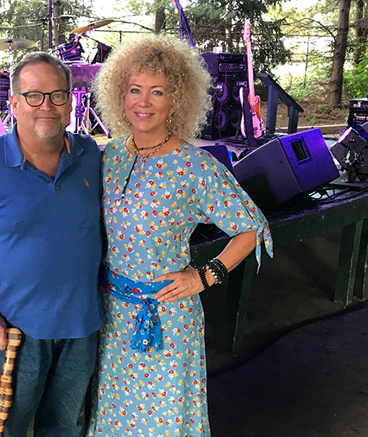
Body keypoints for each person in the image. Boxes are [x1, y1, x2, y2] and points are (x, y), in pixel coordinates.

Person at [86, 34, 274, 437]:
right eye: (135, 89)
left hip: (168, 319)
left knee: (164, 421)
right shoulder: (110, 155)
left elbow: (251, 227)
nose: (143, 101)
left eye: (158, 92)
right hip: (113, 315)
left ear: (177, 99)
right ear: (120, 94)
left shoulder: (194, 166)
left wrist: (205, 276)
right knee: (115, 417)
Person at [0, 52, 104, 437]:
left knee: (66, 426)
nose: (46, 106)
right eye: (34, 96)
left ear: (71, 103)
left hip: (83, 324)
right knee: (8, 427)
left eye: (57, 95)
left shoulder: (91, 156)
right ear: (14, 103)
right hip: (17, 328)